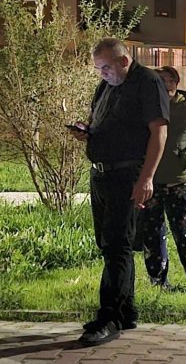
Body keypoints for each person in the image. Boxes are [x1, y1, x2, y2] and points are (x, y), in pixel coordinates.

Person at [72, 38, 170, 348]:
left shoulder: (147, 82)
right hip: (101, 174)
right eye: (98, 69)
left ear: (123, 61)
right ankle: (125, 311)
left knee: (118, 245)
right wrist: (86, 132)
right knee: (110, 243)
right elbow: (101, 123)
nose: (101, 74)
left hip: (128, 174)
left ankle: (109, 317)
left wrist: (147, 178)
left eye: (105, 68)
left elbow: (159, 132)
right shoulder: (106, 86)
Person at [135, 66, 186, 290]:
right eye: (159, 80)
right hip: (151, 181)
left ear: (176, 83)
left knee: (184, 232)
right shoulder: (147, 108)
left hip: (179, 181)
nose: (164, 84)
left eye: (168, 80)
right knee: (152, 233)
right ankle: (158, 282)